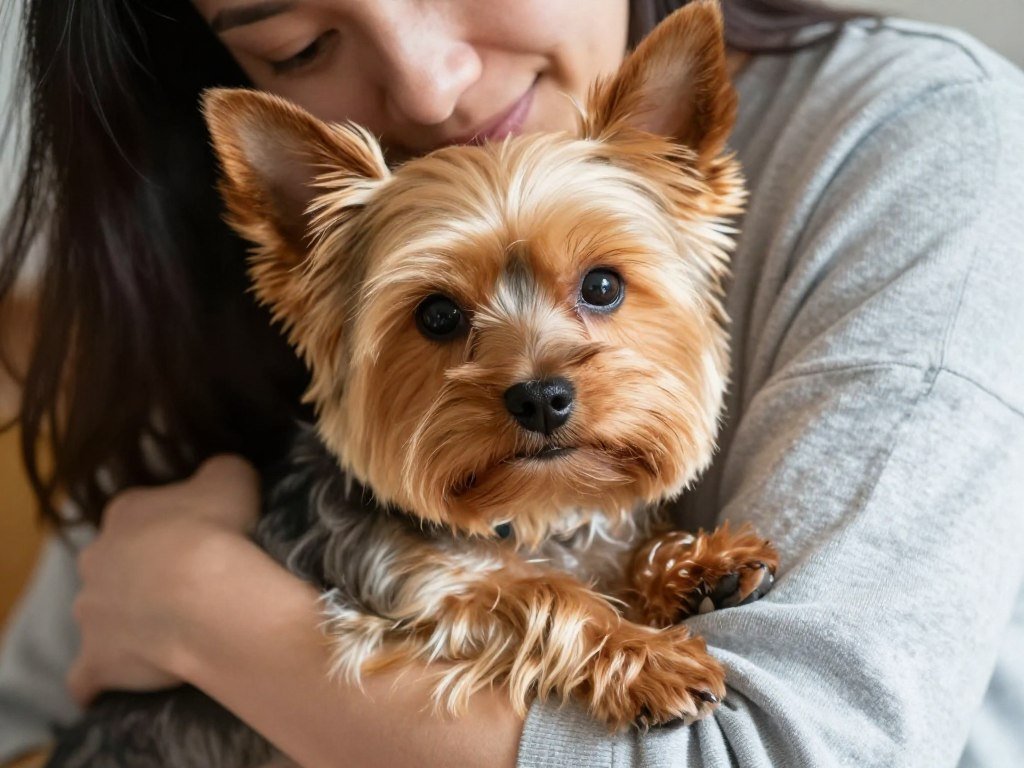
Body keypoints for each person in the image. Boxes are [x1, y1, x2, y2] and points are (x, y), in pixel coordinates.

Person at [1, 0, 1022, 766]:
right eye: (298, 47)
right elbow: (42, 689)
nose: (431, 87)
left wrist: (202, 604)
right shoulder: (206, 268)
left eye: (603, 288)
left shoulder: (921, 145)